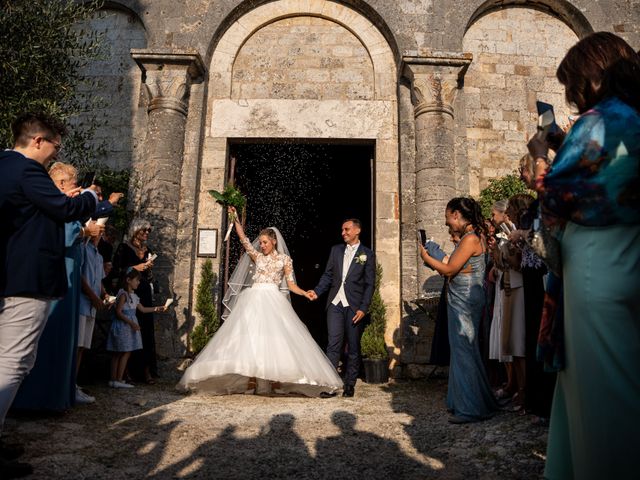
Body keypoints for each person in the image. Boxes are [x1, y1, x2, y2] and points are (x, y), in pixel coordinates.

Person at [527, 32, 640, 479]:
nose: (571, 97)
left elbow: (556, 194)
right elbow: (604, 174)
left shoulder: (601, 119)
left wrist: (539, 155)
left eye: (573, 84)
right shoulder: (631, 118)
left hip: (594, 263)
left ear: (593, 77)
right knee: (611, 379)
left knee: (602, 392)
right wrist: (559, 142)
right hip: (627, 252)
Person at [0, 113, 98, 478]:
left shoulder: (5, 166)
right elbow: (64, 209)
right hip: (27, 279)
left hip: (12, 275)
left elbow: (35, 212)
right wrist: (88, 197)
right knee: (14, 363)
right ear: (39, 140)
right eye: (56, 145)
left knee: (8, 360)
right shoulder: (28, 171)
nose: (56, 152)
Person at [178, 207, 342, 397]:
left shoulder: (284, 260)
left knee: (273, 339)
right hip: (254, 299)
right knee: (249, 338)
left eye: (265, 242)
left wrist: (305, 293)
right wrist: (235, 218)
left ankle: (273, 379)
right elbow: (244, 239)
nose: (261, 245)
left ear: (274, 241)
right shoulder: (257, 257)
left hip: (272, 300)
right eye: (261, 242)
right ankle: (251, 379)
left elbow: (290, 285)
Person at [419, 197, 497, 423]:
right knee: (464, 351)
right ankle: (462, 401)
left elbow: (449, 269)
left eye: (447, 218)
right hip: (463, 298)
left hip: (465, 300)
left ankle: (471, 408)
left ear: (455, 214)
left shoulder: (470, 239)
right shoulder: (472, 237)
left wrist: (426, 257)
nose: (447, 224)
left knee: (464, 352)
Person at [310, 219, 376, 398]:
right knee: (333, 344)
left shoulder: (367, 254)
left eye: (346, 229)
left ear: (357, 230)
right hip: (335, 304)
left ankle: (350, 384)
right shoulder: (336, 250)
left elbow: (370, 284)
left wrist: (363, 308)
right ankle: (331, 385)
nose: (343, 233)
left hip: (354, 307)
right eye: (342, 230)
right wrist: (317, 291)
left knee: (353, 346)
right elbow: (328, 275)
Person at [112, 219, 157, 383]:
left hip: (144, 292)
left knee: (145, 330)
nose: (146, 233)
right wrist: (135, 268)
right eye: (144, 230)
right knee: (128, 331)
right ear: (136, 230)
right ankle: (125, 372)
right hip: (129, 293)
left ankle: (146, 371)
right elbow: (117, 270)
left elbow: (148, 276)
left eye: (148, 231)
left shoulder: (147, 250)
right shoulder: (124, 248)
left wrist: (148, 268)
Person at [107, 268, 167, 388]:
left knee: (125, 352)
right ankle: (116, 379)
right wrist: (132, 323)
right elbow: (119, 312)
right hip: (123, 326)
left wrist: (157, 308)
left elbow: (143, 309)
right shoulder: (123, 294)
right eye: (136, 280)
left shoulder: (133, 296)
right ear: (128, 280)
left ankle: (117, 379)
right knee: (119, 353)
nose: (138, 283)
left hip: (128, 327)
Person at [76, 230, 109, 403]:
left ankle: (73, 385)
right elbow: (80, 277)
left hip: (92, 306)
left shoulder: (99, 256)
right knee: (77, 345)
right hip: (83, 303)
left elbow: (99, 280)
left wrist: (104, 294)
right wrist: (94, 297)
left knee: (83, 347)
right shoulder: (82, 248)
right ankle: (69, 385)